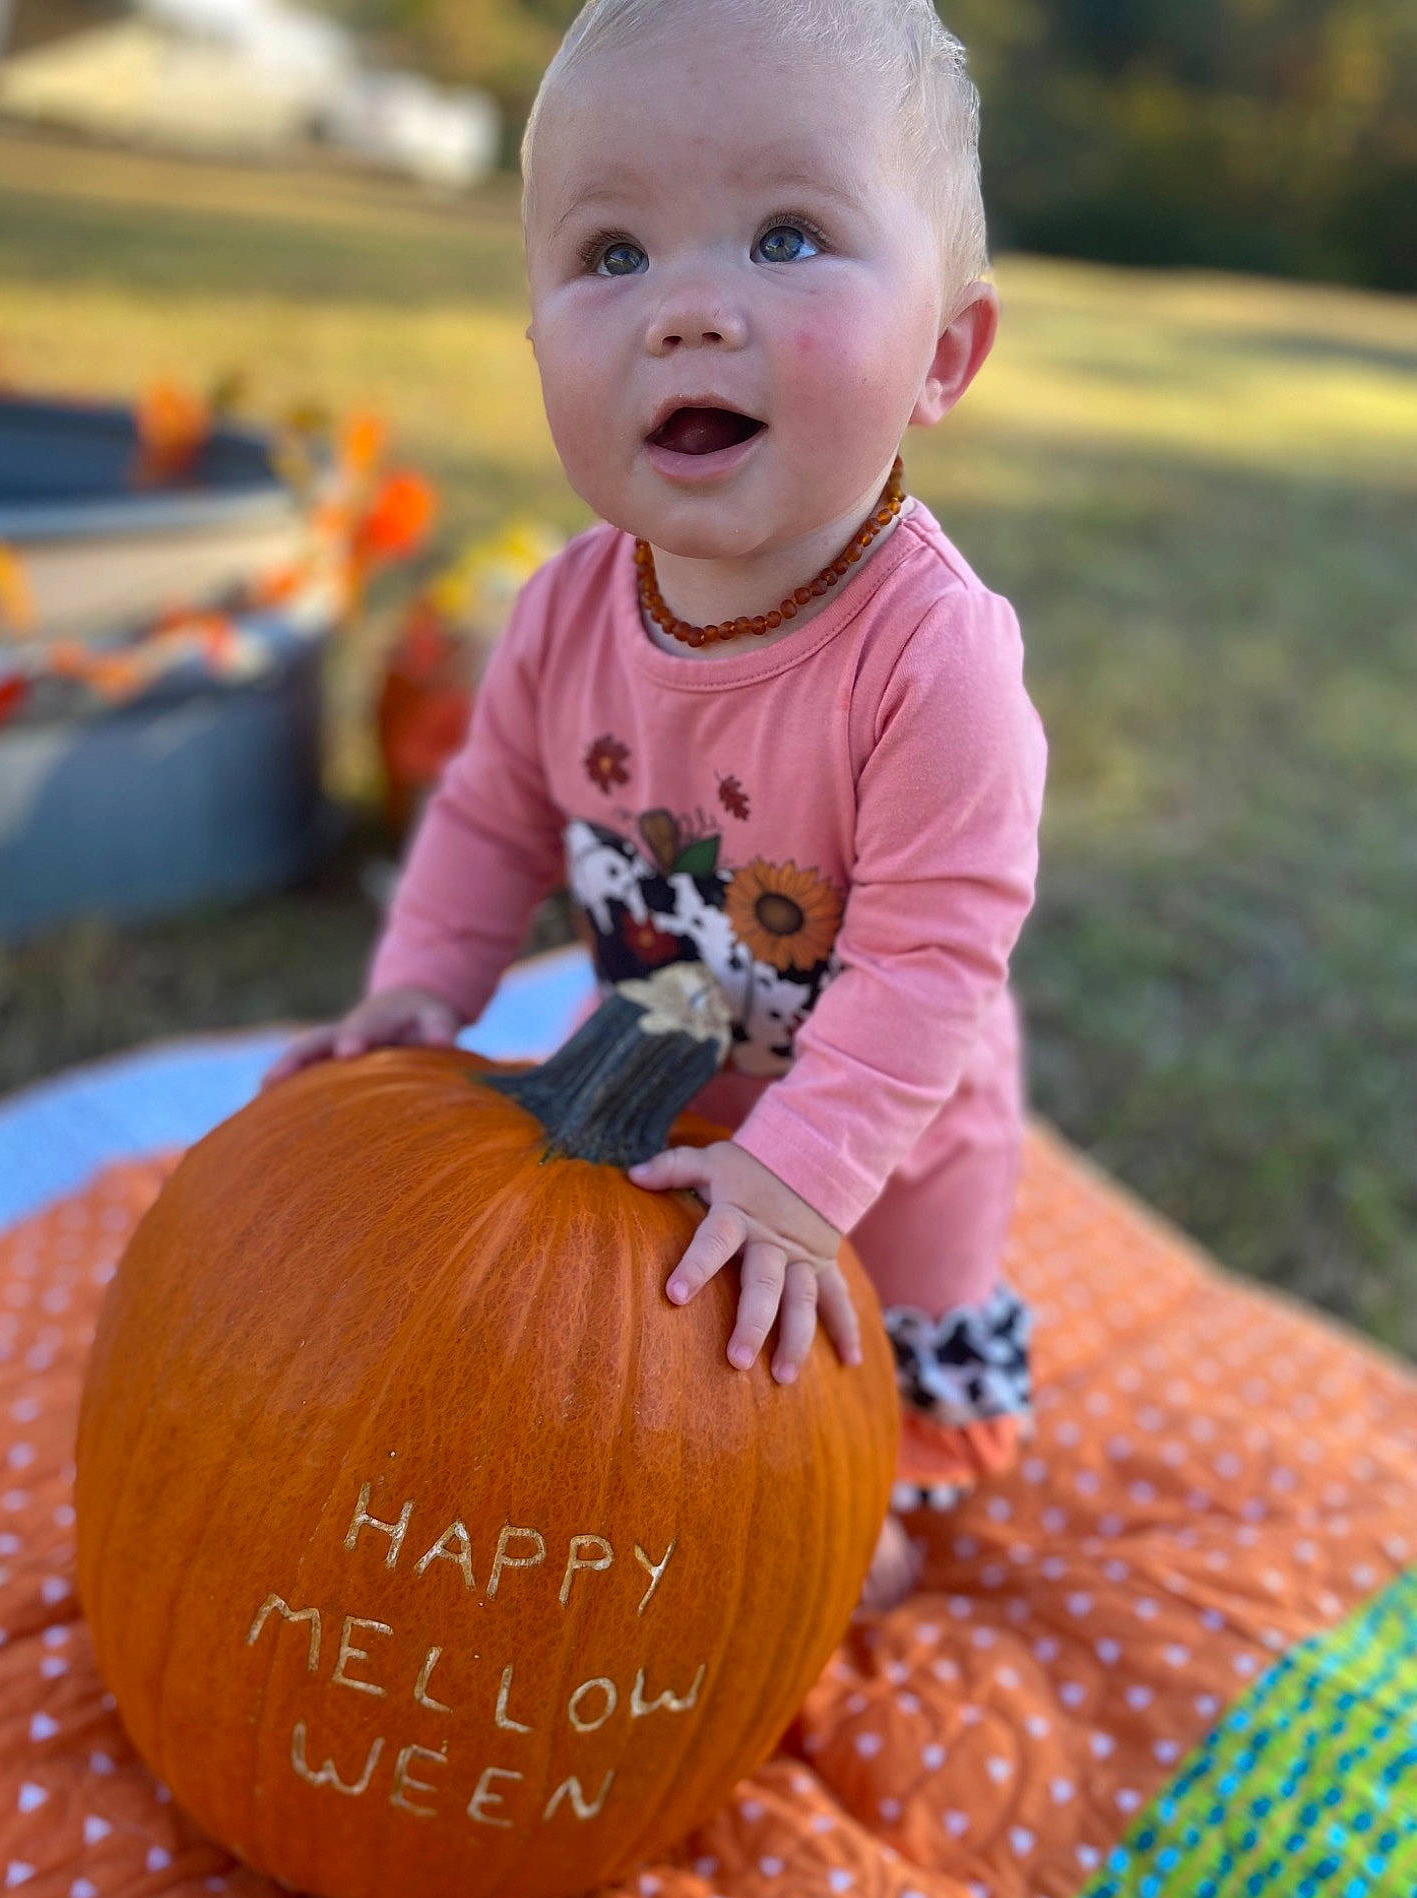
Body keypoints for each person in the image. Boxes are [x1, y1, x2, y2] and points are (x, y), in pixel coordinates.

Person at [264, 0, 1047, 1605]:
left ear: (943, 356)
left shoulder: (932, 659)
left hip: (889, 1116)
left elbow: (928, 967)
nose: (688, 309)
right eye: (611, 256)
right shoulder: (565, 610)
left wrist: (807, 1177)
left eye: (786, 235)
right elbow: (491, 814)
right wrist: (422, 987)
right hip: (681, 1057)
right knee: (654, 1336)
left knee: (863, 1342)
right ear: (540, 344)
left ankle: (866, 1486)